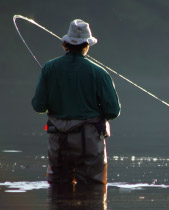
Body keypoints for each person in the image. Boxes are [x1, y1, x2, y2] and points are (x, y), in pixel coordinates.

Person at [32, 19, 121, 185]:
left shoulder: (49, 68)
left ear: (65, 43)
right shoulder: (100, 73)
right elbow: (113, 111)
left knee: (58, 189)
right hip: (89, 140)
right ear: (87, 45)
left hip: (59, 139)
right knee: (93, 190)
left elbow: (39, 106)